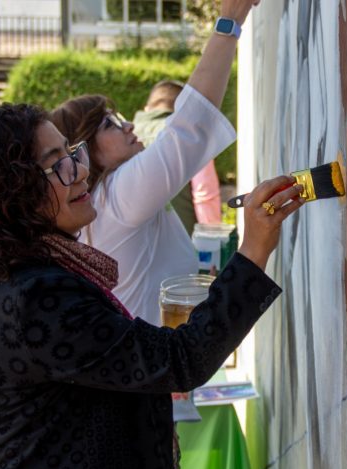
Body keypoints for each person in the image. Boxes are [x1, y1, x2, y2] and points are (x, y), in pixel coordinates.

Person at [0, 102, 304, 469]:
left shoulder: (34, 277)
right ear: (13, 195)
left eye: (72, 153)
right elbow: (180, 359)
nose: (80, 171)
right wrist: (253, 251)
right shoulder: (34, 298)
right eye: (57, 165)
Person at [50, 0, 258, 326]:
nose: (128, 125)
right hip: (160, 350)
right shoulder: (117, 194)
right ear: (85, 149)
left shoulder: (101, 200)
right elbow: (189, 128)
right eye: (110, 124)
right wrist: (228, 22)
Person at [133, 79, 223, 235]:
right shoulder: (190, 135)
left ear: (147, 108)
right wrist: (212, 236)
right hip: (182, 238)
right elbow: (204, 195)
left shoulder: (127, 135)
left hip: (137, 240)